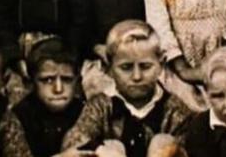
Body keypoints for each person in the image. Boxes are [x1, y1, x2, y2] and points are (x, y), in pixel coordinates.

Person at [62, 20, 193, 157]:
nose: (137, 77)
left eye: (145, 66)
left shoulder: (175, 110)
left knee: (163, 143)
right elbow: (73, 143)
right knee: (112, 147)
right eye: (126, 67)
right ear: (109, 68)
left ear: (161, 64)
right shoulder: (100, 107)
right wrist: (100, 149)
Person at [14, 38, 85, 157]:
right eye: (48, 80)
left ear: (77, 82)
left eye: (66, 79)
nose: (58, 89)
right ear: (32, 83)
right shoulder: (19, 117)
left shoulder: (85, 113)